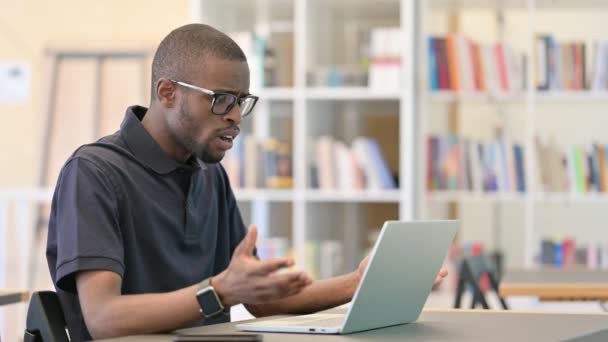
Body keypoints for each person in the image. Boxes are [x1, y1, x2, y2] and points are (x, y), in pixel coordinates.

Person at [46, 23, 448, 341]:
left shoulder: (209, 175)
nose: (236, 116)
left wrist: (360, 282)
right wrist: (220, 292)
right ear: (167, 92)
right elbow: (103, 319)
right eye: (221, 99)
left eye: (241, 101)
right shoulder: (94, 173)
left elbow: (262, 304)